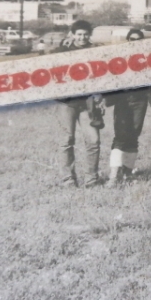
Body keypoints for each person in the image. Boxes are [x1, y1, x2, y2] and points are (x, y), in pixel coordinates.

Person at [55, 20, 104, 186]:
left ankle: (92, 178)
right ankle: (68, 178)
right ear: (73, 34)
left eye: (85, 34)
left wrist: (100, 95)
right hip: (66, 103)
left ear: (89, 35)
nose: (82, 37)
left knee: (93, 140)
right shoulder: (62, 50)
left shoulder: (96, 51)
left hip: (88, 103)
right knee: (66, 140)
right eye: (79, 34)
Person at [105, 29, 149, 187]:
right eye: (131, 39)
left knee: (134, 135)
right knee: (121, 136)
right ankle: (113, 175)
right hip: (123, 101)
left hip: (139, 101)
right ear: (127, 40)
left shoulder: (146, 59)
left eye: (138, 39)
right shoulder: (119, 58)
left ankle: (127, 173)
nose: (134, 42)